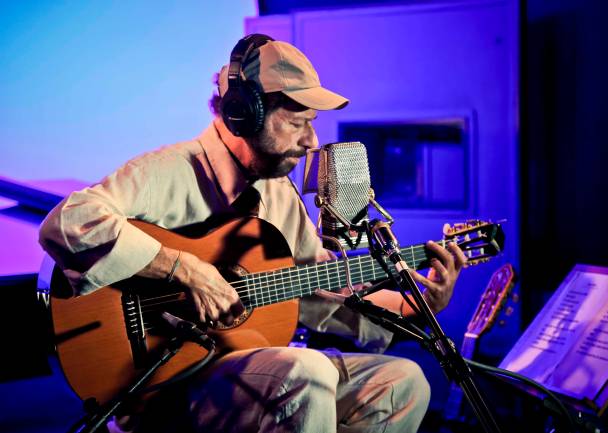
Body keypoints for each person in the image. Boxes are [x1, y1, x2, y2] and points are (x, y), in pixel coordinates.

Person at [39, 34, 467, 433]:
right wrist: (183, 268)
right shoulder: (169, 171)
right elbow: (68, 223)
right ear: (243, 113)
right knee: (307, 373)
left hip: (245, 369)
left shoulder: (280, 196)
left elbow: (320, 295)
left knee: (403, 381)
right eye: (298, 121)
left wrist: (418, 304)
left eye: (313, 122)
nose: (312, 141)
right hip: (162, 383)